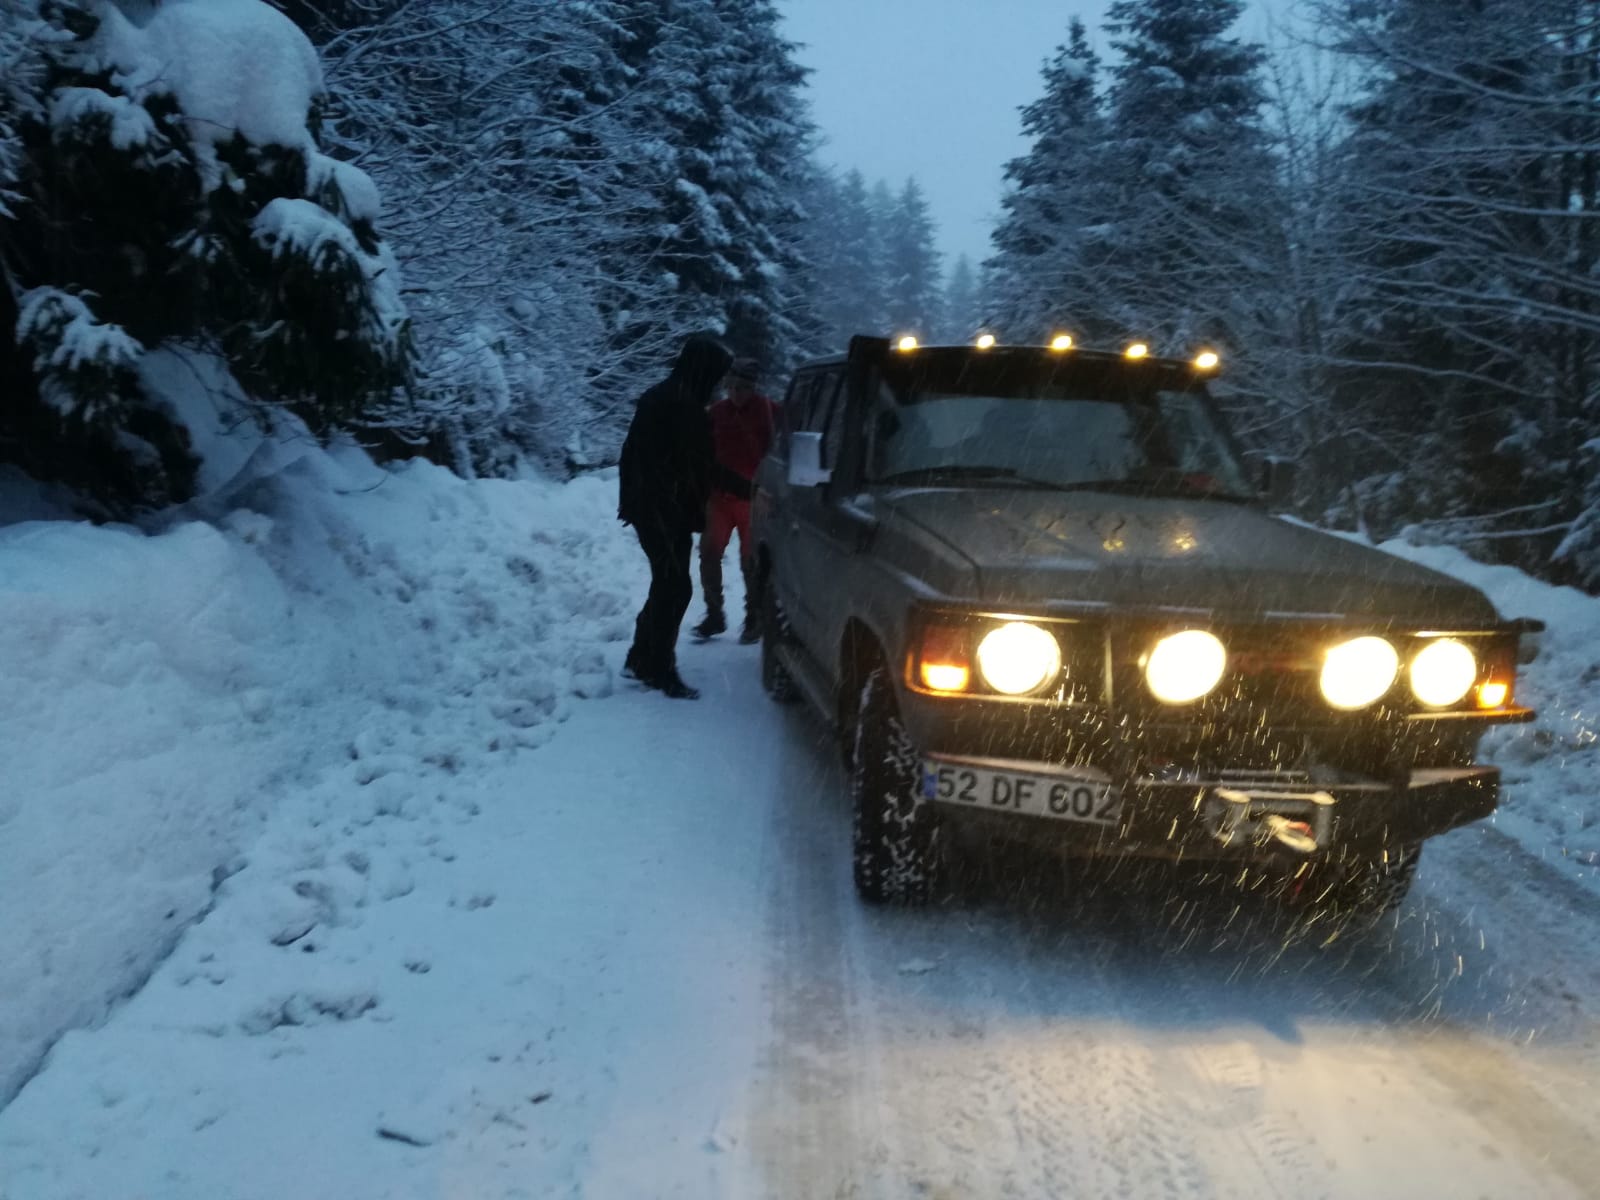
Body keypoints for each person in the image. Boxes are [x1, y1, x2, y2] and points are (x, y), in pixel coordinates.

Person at [617, 332, 737, 699]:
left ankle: (641, 657)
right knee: (675, 587)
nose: (717, 385)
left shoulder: (665, 396)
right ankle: (659, 669)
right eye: (715, 376)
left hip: (662, 508)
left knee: (666, 583)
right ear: (701, 370)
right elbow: (700, 464)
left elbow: (631, 454)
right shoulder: (678, 404)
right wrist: (750, 487)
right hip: (662, 510)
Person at [693, 357, 780, 643]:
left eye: (742, 387)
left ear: (753, 387)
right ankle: (715, 615)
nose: (735, 392)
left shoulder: (770, 411)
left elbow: (791, 443)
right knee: (708, 554)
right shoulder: (715, 413)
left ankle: (753, 616)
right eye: (731, 386)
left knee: (750, 562)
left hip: (755, 500)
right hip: (719, 498)